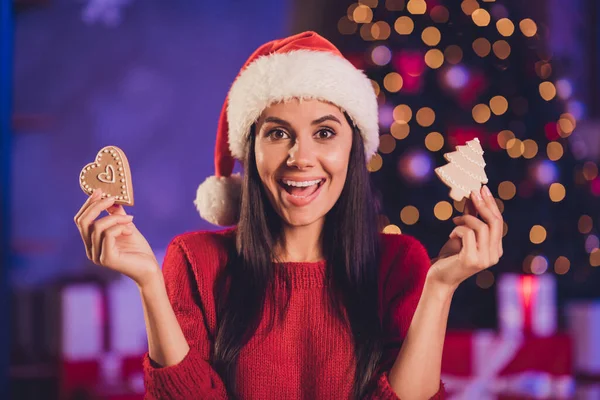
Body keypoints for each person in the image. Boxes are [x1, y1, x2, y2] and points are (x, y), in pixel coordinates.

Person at [74, 31, 504, 400]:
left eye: (325, 133)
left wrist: (441, 288)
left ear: (354, 148)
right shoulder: (194, 260)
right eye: (278, 133)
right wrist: (149, 283)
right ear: (250, 150)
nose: (301, 158)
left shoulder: (400, 264)